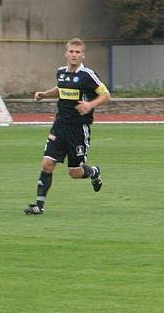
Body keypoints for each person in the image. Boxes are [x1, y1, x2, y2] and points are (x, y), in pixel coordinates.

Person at [24, 38, 109, 215]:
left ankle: (93, 172)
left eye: (78, 52)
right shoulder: (61, 72)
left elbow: (106, 95)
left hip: (78, 129)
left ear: (83, 55)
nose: (74, 55)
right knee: (47, 164)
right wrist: (44, 94)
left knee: (75, 173)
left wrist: (89, 105)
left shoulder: (88, 75)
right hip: (60, 126)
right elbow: (60, 88)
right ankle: (39, 206)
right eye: (71, 51)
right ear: (66, 53)